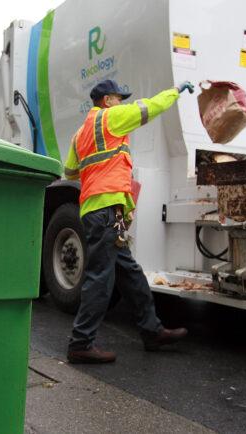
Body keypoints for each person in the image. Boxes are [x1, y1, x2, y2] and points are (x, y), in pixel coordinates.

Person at [64, 79, 193, 363]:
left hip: (96, 209)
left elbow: (70, 170)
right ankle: (80, 343)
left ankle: (151, 331)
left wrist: (97, 166)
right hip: (107, 208)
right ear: (107, 100)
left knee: (130, 273)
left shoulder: (80, 133)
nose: (122, 102)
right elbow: (150, 107)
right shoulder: (112, 118)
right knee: (100, 277)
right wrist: (175, 91)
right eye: (118, 98)